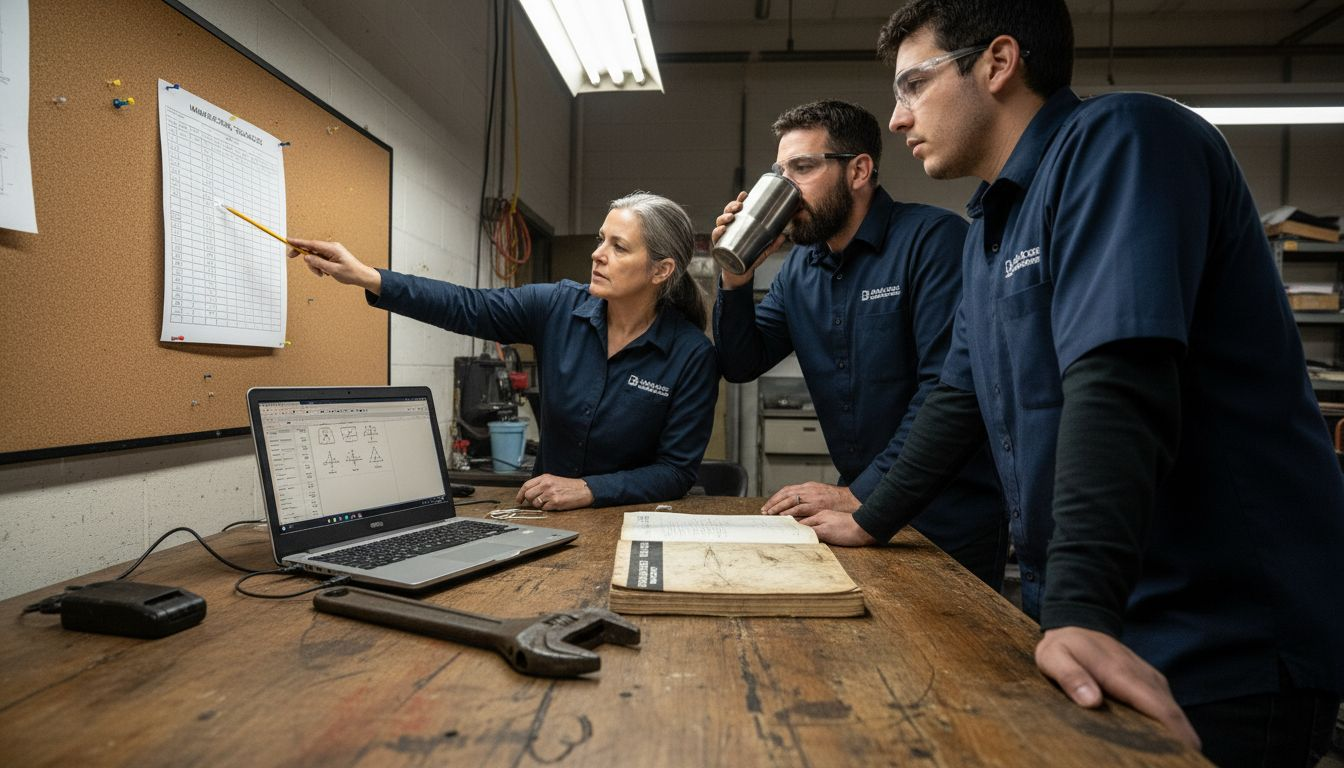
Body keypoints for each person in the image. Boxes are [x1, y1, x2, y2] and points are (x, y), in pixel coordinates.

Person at [795, 1, 1344, 763]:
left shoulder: (1125, 141)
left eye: (914, 85)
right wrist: (870, 517)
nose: (896, 119)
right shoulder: (994, 221)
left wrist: (1083, 609)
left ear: (998, 62)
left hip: (1218, 633)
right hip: (1095, 618)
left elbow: (1119, 374)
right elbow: (958, 398)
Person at [712, 100, 1007, 588]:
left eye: (803, 168)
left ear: (859, 170)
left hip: (948, 518)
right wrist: (734, 280)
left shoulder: (934, 241)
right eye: (779, 173)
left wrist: (861, 495)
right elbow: (741, 362)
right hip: (857, 513)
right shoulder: (799, 273)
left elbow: (946, 390)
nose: (787, 189)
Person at [288, 191, 719, 511]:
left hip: (633, 523)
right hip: (547, 517)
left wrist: (589, 489)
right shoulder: (557, 306)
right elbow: (465, 306)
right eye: (601, 238)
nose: (597, 254)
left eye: (618, 246)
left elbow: (676, 471)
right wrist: (367, 276)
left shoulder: (691, 354)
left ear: (661, 270)